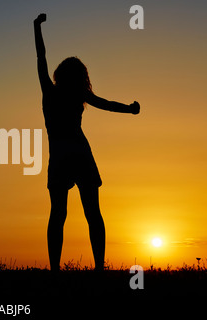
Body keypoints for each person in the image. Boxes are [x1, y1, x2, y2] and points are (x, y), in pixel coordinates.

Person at [34, 13, 140, 271]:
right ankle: (99, 268)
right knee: (92, 213)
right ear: (81, 76)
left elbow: (41, 58)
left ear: (59, 74)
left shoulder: (51, 91)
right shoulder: (76, 92)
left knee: (59, 214)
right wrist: (130, 109)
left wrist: (36, 27)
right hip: (79, 155)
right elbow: (107, 105)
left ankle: (56, 270)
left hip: (61, 157)